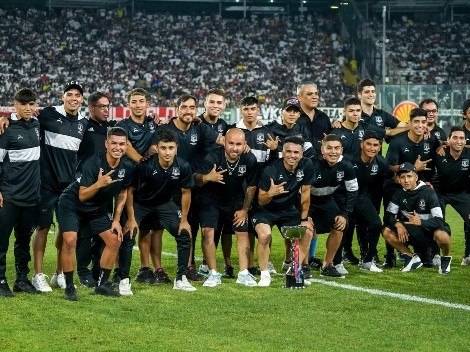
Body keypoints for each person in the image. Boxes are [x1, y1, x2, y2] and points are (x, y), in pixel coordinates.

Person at [0, 81, 88, 292]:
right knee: (28, 232)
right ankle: (21, 277)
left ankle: (32, 277)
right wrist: (4, 118)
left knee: (31, 236)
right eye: (70, 94)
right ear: (63, 96)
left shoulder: (79, 123)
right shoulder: (41, 117)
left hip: (48, 191)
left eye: (77, 95)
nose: (28, 108)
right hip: (31, 189)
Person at [57, 126, 133, 300]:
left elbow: (123, 193)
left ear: (127, 145)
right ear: (106, 144)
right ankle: (69, 286)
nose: (117, 147)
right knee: (69, 240)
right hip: (72, 203)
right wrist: (99, 184)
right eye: (113, 143)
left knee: (114, 240)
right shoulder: (93, 162)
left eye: (122, 144)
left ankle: (103, 285)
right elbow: (82, 195)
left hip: (97, 208)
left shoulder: (127, 166)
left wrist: (115, 220)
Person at [160, 94, 222, 281]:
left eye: (192, 107)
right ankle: (154, 269)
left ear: (197, 110)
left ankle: (188, 266)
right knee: (155, 229)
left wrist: (242, 146)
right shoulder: (166, 128)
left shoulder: (199, 127)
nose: (188, 111)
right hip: (169, 187)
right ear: (176, 108)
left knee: (190, 225)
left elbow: (222, 140)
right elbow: (155, 150)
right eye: (184, 107)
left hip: (193, 186)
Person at [124, 129, 196, 291]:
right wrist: (131, 217)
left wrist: (184, 220)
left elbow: (186, 192)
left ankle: (181, 279)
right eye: (163, 148)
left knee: (184, 235)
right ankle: (123, 279)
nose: (167, 152)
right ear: (157, 148)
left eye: (171, 148)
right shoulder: (145, 166)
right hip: (141, 204)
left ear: (176, 147)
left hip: (164, 204)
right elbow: (130, 190)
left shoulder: (183, 166)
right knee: (128, 234)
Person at [195, 128, 259, 287]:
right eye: (231, 143)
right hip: (210, 200)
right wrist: (207, 177)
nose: (234, 148)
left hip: (234, 200)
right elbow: (196, 179)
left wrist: (244, 210)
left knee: (242, 232)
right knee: (207, 232)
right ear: (224, 142)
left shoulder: (249, 159)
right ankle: (213, 273)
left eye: (238, 144)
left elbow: (251, 187)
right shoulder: (213, 157)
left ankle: (243, 273)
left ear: (244, 144)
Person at [252, 136, 315, 287]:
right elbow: (261, 200)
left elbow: (306, 193)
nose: (292, 155)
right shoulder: (271, 170)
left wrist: (304, 218)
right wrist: (270, 193)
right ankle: (265, 274)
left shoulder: (307, 165)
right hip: (265, 211)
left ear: (301, 154)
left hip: (287, 211)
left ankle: (294, 272)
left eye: (295, 152)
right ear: (283, 152)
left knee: (306, 233)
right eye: (288, 151)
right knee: (265, 236)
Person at [384, 108, 441, 268]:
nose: (420, 125)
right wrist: (412, 169)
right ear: (409, 123)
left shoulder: (431, 140)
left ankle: (431, 252)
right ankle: (390, 256)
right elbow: (389, 167)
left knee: (426, 217)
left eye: (423, 122)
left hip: (420, 188)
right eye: (416, 122)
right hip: (395, 186)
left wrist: (443, 146)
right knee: (390, 219)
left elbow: (438, 155)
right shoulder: (398, 142)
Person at [115, 88, 158, 294]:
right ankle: (119, 272)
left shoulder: (152, 123)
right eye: (134, 101)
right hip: (126, 181)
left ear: (147, 103)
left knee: (145, 228)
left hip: (146, 183)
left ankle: (144, 268)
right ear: (129, 104)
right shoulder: (122, 126)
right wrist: (141, 159)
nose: (138, 105)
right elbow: (126, 146)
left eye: (142, 101)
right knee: (126, 229)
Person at [0, 88, 41, 297]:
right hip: (10, 195)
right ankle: (0, 280)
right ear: (14, 104)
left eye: (31, 104)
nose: (28, 108)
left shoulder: (36, 124)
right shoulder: (5, 130)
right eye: (23, 104)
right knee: (2, 239)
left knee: (24, 239)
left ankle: (22, 279)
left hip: (31, 196)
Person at [75, 92, 116, 288]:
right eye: (102, 106)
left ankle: (97, 270)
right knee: (84, 232)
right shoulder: (82, 127)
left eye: (108, 106)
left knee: (103, 230)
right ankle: (82, 271)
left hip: (106, 187)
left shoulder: (111, 129)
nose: (106, 110)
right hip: (86, 186)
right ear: (91, 108)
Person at [382, 162, 452, 275]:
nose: (406, 180)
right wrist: (398, 224)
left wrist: (421, 222)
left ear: (416, 177)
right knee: (386, 230)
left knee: (442, 236)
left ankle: (445, 260)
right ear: (398, 179)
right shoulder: (398, 194)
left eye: (409, 176)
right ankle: (411, 258)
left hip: (430, 233)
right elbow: (388, 216)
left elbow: (439, 220)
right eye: (402, 177)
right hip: (413, 233)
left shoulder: (429, 192)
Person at [235, 96, 279, 275]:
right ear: (241, 111)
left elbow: (272, 163)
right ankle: (249, 262)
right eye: (246, 109)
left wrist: (275, 151)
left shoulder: (267, 132)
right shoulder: (235, 131)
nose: (249, 112)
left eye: (253, 109)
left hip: (261, 187)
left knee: (263, 223)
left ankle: (264, 261)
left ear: (258, 110)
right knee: (244, 227)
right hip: (241, 187)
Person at [195, 89, 233, 278]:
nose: (215, 106)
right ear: (205, 104)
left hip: (216, 181)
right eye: (212, 102)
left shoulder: (224, 125)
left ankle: (204, 263)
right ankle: (188, 264)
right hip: (197, 180)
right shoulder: (196, 123)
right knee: (193, 225)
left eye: (219, 103)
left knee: (213, 225)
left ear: (224, 106)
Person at [343, 130, 393, 272]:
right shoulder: (349, 160)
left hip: (364, 197)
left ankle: (367, 258)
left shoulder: (381, 162)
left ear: (380, 146)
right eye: (368, 144)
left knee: (371, 224)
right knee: (349, 226)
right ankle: (340, 259)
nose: (372, 148)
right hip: (346, 197)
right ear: (361, 145)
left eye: (375, 145)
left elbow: (391, 176)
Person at [309, 134, 358, 278]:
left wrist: (344, 214)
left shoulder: (346, 166)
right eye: (329, 148)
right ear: (322, 150)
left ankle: (327, 264)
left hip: (326, 200)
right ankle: (303, 265)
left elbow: (353, 191)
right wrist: (304, 215)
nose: (333, 152)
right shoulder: (311, 164)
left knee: (340, 225)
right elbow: (301, 192)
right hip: (308, 201)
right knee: (306, 230)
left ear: (342, 150)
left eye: (337, 148)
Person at [433, 127, 470, 265]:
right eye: (455, 138)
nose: (458, 141)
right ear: (448, 140)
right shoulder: (439, 153)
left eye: (461, 138)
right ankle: (435, 254)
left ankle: (468, 255)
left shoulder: (469, 153)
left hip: (461, 193)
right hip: (440, 193)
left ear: (465, 140)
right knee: (437, 221)